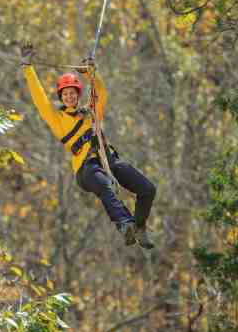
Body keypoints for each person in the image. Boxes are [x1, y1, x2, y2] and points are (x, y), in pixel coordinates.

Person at [21, 44, 156, 249]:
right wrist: (28, 68)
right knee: (104, 184)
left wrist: (91, 74)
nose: (69, 97)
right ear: (61, 97)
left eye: (72, 93)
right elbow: (40, 99)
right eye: (65, 94)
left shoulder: (90, 112)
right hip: (86, 169)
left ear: (78, 94)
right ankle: (124, 224)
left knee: (147, 189)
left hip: (108, 159)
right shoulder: (58, 120)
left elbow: (101, 92)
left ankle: (138, 226)